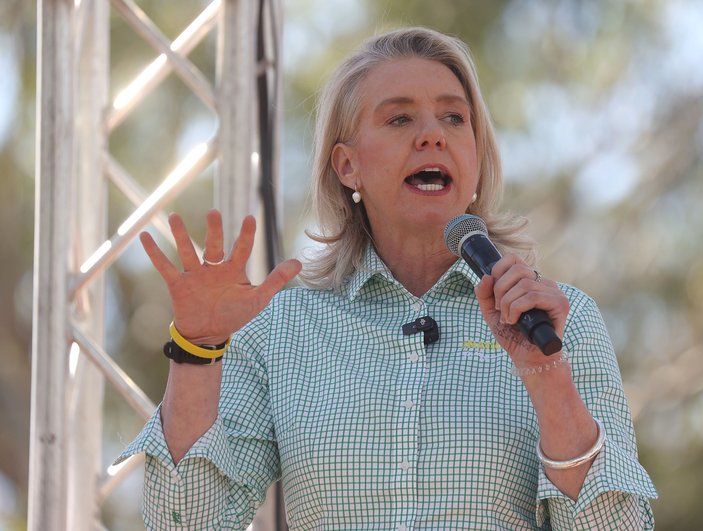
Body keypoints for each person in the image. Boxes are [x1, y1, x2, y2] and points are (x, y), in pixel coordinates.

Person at [116, 26, 657, 529]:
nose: (432, 136)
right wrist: (199, 349)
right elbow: (184, 524)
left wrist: (547, 376)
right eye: (399, 119)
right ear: (347, 166)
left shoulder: (560, 321)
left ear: (476, 155)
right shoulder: (282, 328)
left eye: (453, 118)